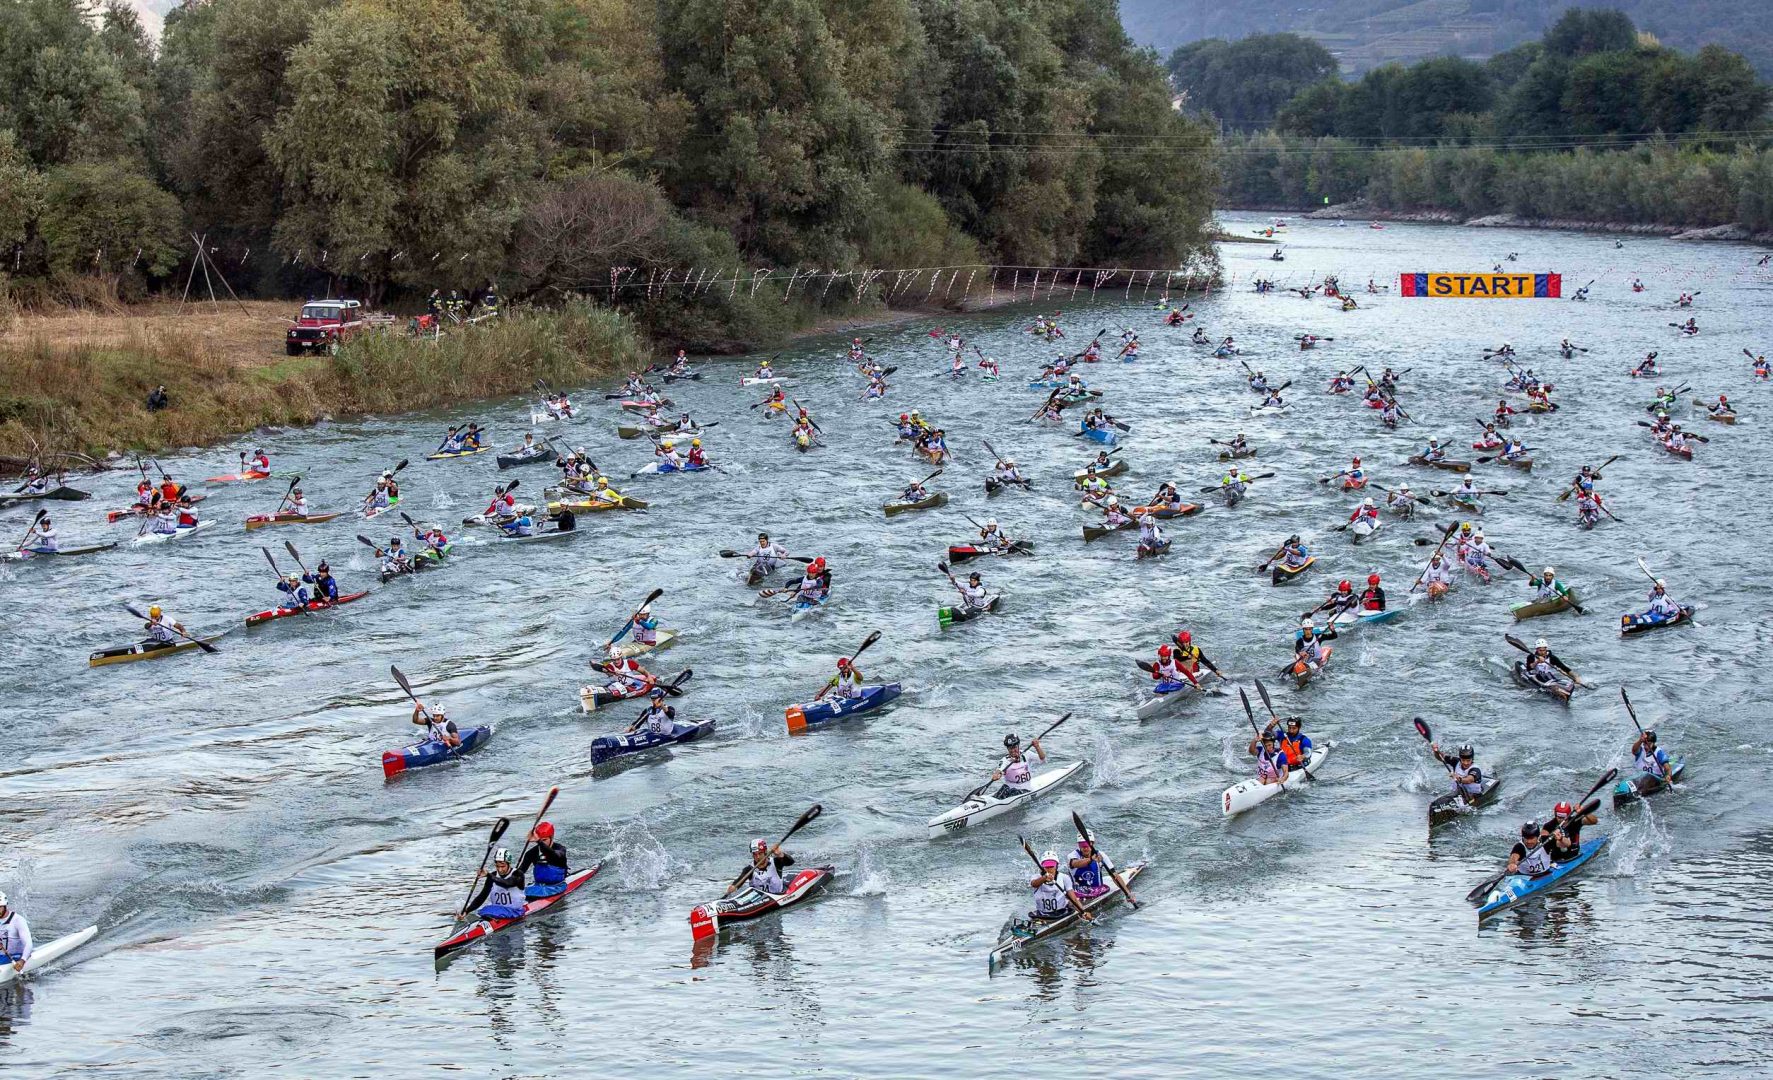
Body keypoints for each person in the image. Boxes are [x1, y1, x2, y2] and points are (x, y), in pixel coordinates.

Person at [462, 849, 528, 921]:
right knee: (482, 911)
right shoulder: (493, 875)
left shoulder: (518, 874)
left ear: (509, 864)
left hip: (514, 911)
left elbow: (507, 883)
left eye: (503, 866)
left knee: (486, 911)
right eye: (497, 866)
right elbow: (482, 897)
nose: (500, 870)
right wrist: (467, 911)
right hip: (496, 910)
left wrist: (488, 875)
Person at [518, 822, 569, 899]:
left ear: (551, 837)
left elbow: (554, 855)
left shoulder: (560, 849)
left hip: (558, 886)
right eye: (541, 840)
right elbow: (521, 872)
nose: (542, 843)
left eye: (544, 840)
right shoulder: (531, 853)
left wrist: (539, 841)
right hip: (538, 887)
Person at [1429, 741, 1486, 807]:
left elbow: (1469, 780)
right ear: (1460, 758)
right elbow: (1441, 758)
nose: (1466, 763)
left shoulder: (1475, 769)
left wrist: (1459, 778)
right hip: (1457, 793)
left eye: (1468, 760)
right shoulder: (1456, 761)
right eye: (1463, 760)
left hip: (1473, 795)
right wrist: (1436, 751)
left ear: (1472, 759)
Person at [992, 732, 1048, 797]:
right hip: (1008, 789)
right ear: (1007, 749)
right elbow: (999, 769)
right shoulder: (1005, 760)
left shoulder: (1026, 754)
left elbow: (1043, 760)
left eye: (1014, 747)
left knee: (1013, 791)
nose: (1013, 750)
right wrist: (996, 775)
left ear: (1018, 746)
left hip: (1025, 790)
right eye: (1010, 748)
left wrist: (1037, 747)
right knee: (1005, 788)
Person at [1066, 835, 1111, 900]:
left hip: (1098, 891)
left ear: (1092, 844)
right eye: (1082, 846)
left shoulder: (1100, 855)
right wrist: (1091, 859)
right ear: (1079, 845)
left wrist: (1128, 894)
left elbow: (1115, 875)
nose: (1085, 848)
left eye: (1087, 845)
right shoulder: (1072, 856)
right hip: (1078, 894)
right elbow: (1075, 864)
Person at [0, 891, 32, 975]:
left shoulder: (18, 920)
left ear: (5, 906)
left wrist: (22, 961)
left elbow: (28, 944)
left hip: (16, 956)